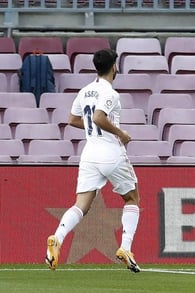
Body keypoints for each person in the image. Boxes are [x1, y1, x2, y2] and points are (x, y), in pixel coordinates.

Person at [45, 49, 141, 272]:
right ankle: (125, 247)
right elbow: (99, 117)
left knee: (81, 205)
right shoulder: (110, 93)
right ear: (114, 67)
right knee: (132, 198)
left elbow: (72, 120)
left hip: (89, 154)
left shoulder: (85, 90)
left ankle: (57, 238)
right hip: (110, 151)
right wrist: (121, 134)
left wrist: (91, 127)